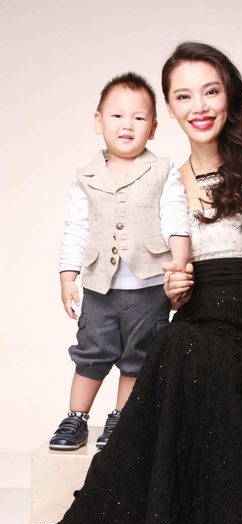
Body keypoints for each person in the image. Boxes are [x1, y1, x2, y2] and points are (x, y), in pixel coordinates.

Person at [0, 42, 242, 524]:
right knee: (177, 342)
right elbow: (155, 286)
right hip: (192, 334)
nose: (199, 106)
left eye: (211, 91)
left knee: (181, 347)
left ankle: (203, 522)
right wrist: (175, 291)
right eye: (184, 95)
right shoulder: (162, 185)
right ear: (169, 109)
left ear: (229, 96)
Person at [50, 72, 190, 451]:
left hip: (149, 287)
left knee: (138, 357)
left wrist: (179, 264)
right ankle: (76, 418)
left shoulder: (162, 170)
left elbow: (175, 217)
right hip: (100, 287)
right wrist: (68, 277)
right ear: (98, 121)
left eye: (139, 117)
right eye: (117, 115)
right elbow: (76, 229)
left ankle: (121, 419)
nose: (127, 124)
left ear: (153, 128)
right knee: (91, 352)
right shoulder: (85, 177)